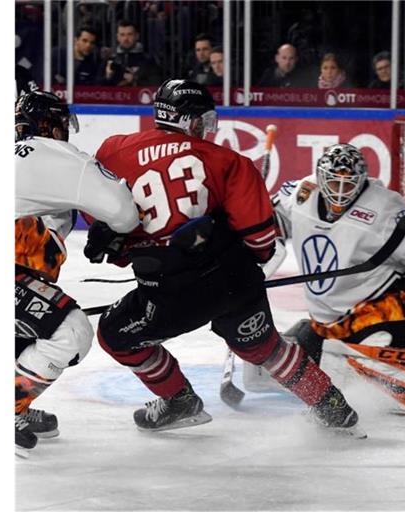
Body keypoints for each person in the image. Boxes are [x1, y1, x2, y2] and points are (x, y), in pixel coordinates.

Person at [86, 79, 365, 437]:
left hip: (167, 292)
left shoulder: (112, 152)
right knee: (267, 348)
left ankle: (179, 400)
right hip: (233, 283)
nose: (208, 129)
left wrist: (126, 246)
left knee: (115, 335)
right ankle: (332, 406)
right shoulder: (229, 161)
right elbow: (262, 240)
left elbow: (103, 224)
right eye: (205, 120)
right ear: (190, 121)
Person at [239, 143, 405, 420]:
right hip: (329, 320)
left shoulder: (384, 207)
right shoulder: (300, 193)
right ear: (320, 178)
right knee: (287, 357)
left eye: (349, 184)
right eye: (334, 182)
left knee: (359, 369)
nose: (341, 192)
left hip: (383, 311)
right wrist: (248, 240)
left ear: (362, 180)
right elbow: (270, 223)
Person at [14, 90, 141, 456]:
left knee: (25, 325)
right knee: (70, 331)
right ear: (52, 126)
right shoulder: (56, 154)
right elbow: (124, 212)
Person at [102, 19, 162, 86]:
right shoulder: (110, 60)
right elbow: (96, 88)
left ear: (137, 36)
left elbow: (155, 86)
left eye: (129, 34)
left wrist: (135, 80)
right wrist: (107, 77)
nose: (126, 39)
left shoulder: (148, 60)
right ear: (117, 37)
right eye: (122, 35)